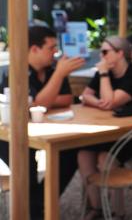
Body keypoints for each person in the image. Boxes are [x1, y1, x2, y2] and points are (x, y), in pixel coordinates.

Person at [0, 26, 85, 219]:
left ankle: (39, 203)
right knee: (26, 167)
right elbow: (38, 103)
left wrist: (39, 100)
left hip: (45, 130)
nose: (56, 52)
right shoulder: (15, 71)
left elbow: (66, 99)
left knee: (70, 152)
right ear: (34, 50)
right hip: (11, 136)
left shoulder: (52, 68)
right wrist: (56, 80)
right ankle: (36, 210)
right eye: (51, 47)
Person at [77, 36, 132, 219]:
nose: (101, 57)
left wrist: (103, 76)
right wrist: (100, 102)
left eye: (105, 52)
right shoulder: (106, 71)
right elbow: (85, 95)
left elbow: (110, 102)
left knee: (104, 159)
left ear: (120, 54)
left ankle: (119, 212)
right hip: (108, 132)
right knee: (83, 155)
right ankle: (97, 208)